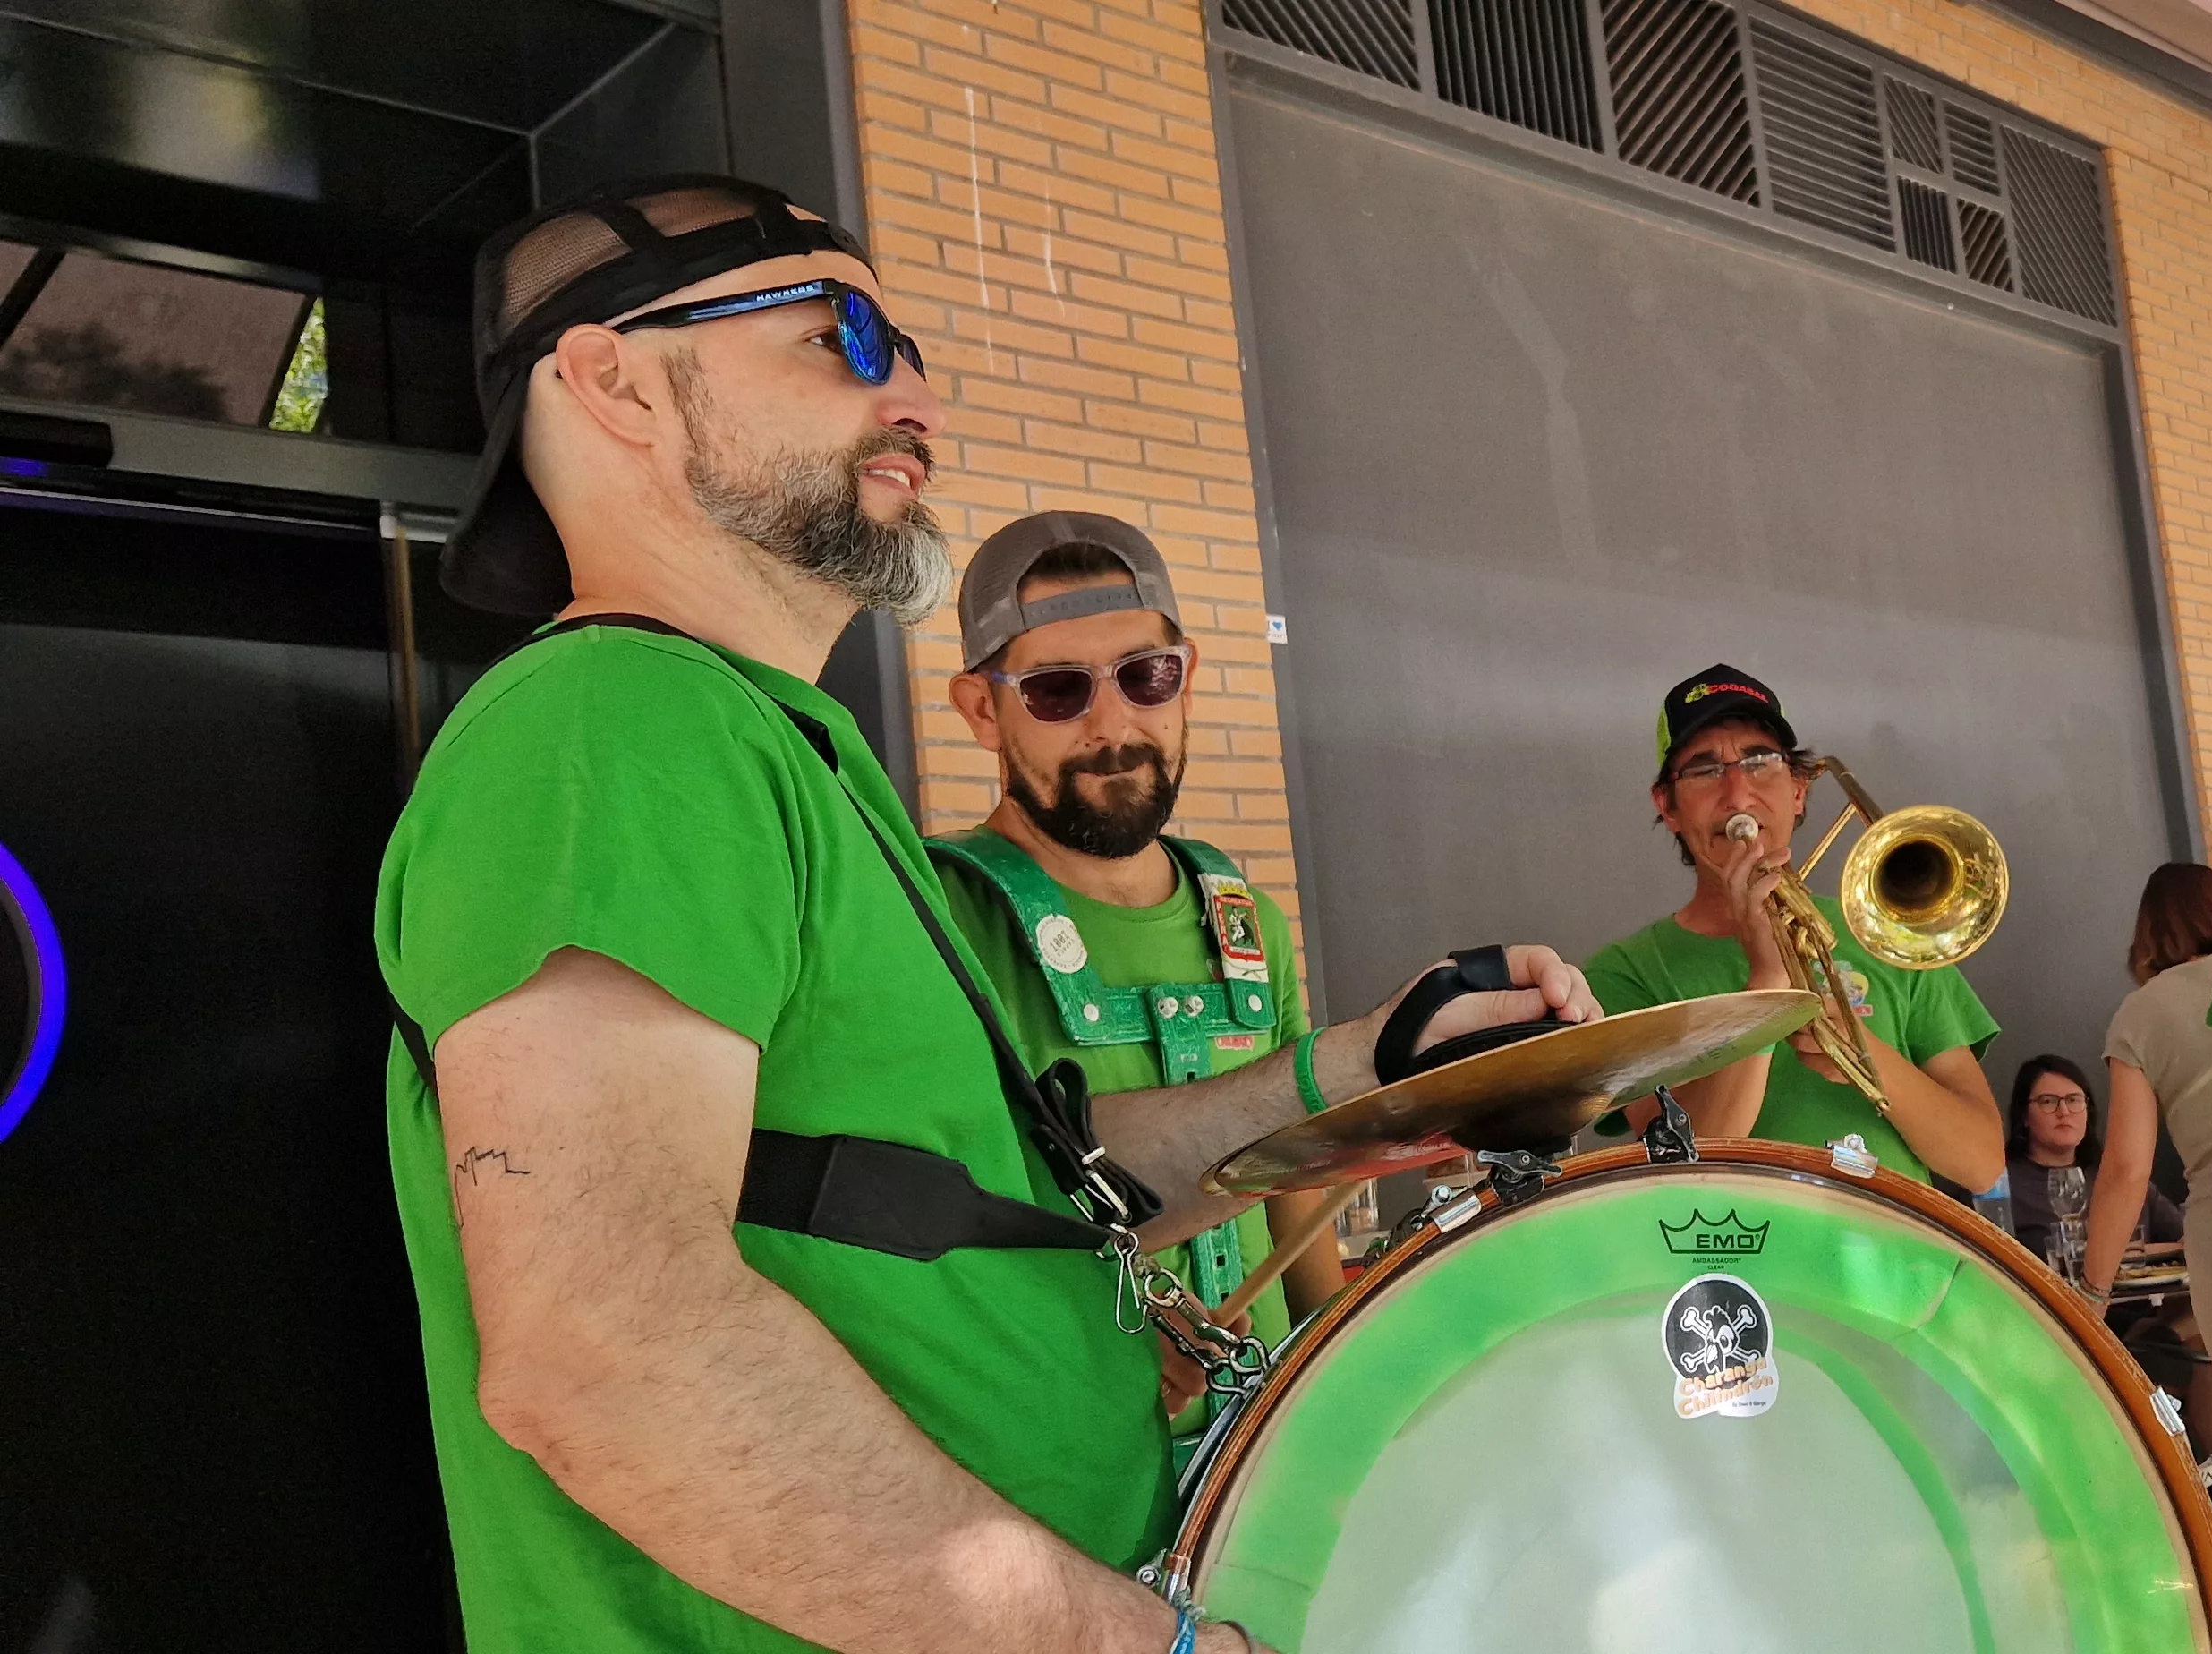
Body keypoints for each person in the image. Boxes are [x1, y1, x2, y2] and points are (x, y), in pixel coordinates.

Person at [375, 175, 1595, 1653]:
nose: (924, 395)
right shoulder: (614, 724)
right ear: (613, 379)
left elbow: (1012, 1191)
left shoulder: (779, 749)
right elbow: (604, 1346)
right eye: (848, 336)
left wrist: (1370, 1070)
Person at [932, 512, 1345, 1420]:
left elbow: (1296, 1201)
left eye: (1144, 677)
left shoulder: (1243, 917)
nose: (1113, 724)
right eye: (1056, 690)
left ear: (1185, 679)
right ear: (979, 710)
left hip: (1258, 1465)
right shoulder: (932, 915)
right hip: (1061, 1471)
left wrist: (1338, 1406)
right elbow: (933, 1213)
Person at [1585, 666, 2004, 1188]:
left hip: (1900, 1265)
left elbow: (1983, 1164)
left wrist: (1862, 1053)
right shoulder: (1626, 973)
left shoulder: (1890, 929)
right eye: (1704, 769)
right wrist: (1768, 987)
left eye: (1760, 762)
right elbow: (1679, 1169)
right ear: (1667, 806)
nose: (1738, 794)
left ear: (1800, 789)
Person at [2002, 1053, 2179, 1284]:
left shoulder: (2119, 1176)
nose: (2064, 1111)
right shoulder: (2000, 1183)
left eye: (2074, 1100)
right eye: (2048, 1101)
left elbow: (2188, 1241)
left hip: (2149, 1309)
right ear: (2023, 1116)